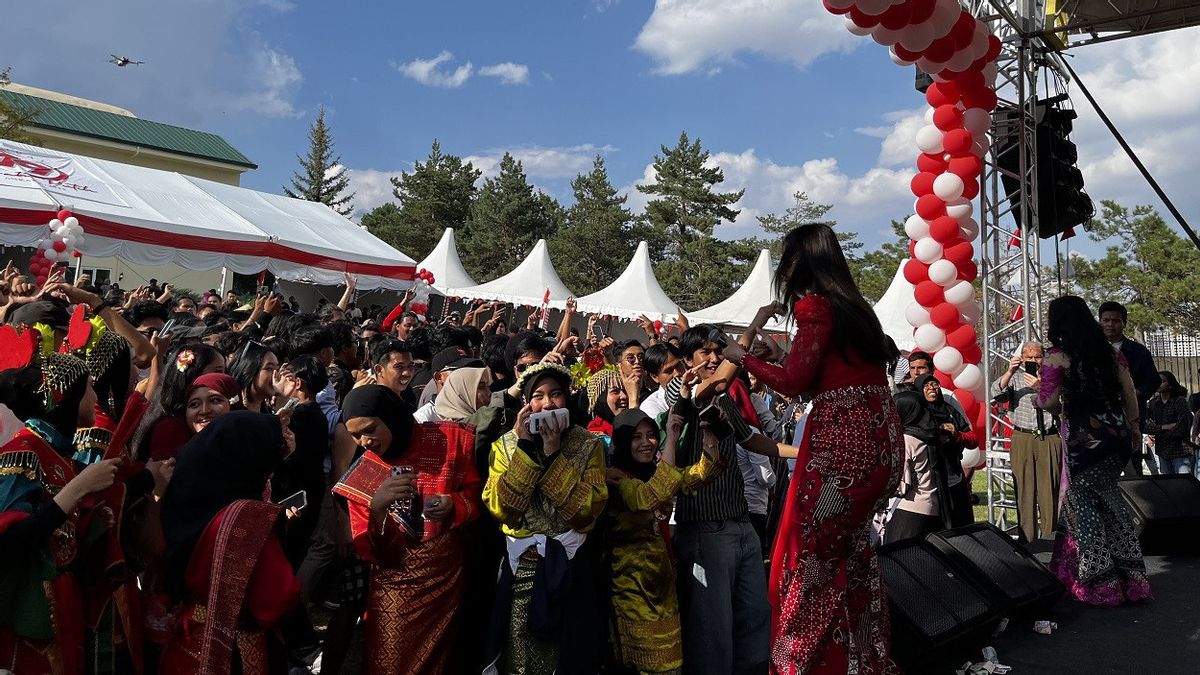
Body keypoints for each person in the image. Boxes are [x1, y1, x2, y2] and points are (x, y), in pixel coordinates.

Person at [725, 222, 902, 674]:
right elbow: (830, 372)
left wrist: (740, 356)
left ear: (798, 261)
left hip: (840, 450)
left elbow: (796, 384)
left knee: (810, 567)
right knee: (855, 560)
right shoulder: (857, 308)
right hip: (878, 446)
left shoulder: (815, 306)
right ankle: (864, 661)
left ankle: (798, 665)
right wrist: (773, 358)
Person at [335, 384, 481, 675]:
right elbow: (371, 549)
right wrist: (378, 508)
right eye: (355, 435)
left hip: (448, 578)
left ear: (391, 416)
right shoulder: (363, 473)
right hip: (394, 588)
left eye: (370, 429)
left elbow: (478, 497)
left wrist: (454, 504)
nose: (365, 441)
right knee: (388, 661)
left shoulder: (450, 441)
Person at [0, 347, 125, 674]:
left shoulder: (58, 452)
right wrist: (79, 488)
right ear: (66, 398)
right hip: (30, 609)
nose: (95, 396)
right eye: (88, 389)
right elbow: (10, 540)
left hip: (64, 599)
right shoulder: (23, 453)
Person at [482, 362, 608, 674]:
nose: (547, 404)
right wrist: (525, 447)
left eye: (555, 395)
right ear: (526, 403)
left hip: (572, 564)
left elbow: (587, 512)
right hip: (523, 567)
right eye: (537, 396)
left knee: (572, 652)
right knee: (521, 656)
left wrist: (554, 455)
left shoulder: (588, 444)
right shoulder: (505, 446)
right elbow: (502, 510)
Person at [159, 411, 301, 674]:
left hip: (188, 642)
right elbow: (274, 600)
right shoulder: (247, 519)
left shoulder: (184, 497)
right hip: (234, 650)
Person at [1038, 295, 1150, 606]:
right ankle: (1134, 580)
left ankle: (1102, 585)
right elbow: (1129, 391)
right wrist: (1135, 426)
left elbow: (1047, 401)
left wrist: (1044, 400)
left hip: (1084, 444)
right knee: (1112, 502)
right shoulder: (1110, 353)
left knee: (1085, 511)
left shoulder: (1058, 356)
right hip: (1117, 438)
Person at [604, 404, 723, 674]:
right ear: (623, 441)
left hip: (662, 587)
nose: (647, 443)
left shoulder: (655, 472)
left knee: (670, 664)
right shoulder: (617, 480)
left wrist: (711, 438)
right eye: (637, 437)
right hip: (631, 590)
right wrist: (671, 437)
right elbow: (651, 496)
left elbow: (699, 475)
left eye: (651, 435)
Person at [991, 342, 1061, 542]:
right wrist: (1010, 371)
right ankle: (1027, 541)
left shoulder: (1054, 378)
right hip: (1023, 437)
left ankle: (1050, 540)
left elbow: (1061, 407)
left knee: (1049, 493)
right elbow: (996, 394)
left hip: (1049, 437)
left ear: (1043, 358)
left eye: (1036, 357)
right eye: (1028, 358)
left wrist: (1040, 388)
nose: (1033, 361)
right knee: (1024, 491)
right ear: (1022, 358)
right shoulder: (1016, 378)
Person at [1098, 301, 1160, 475]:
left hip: (1129, 420)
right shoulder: (1090, 351)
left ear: (1124, 323)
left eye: (1116, 321)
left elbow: (1152, 382)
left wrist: (1132, 395)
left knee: (1132, 468)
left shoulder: (1139, 352)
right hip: (1097, 421)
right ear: (1100, 321)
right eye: (1106, 320)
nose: (1110, 325)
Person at [914, 373, 976, 527]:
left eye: (935, 384)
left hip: (952, 475)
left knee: (959, 522)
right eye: (926, 386)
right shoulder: (916, 413)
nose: (931, 388)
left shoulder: (949, 410)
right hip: (926, 480)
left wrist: (957, 434)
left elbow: (973, 439)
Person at [886, 390, 946, 544]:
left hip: (909, 510)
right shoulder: (930, 435)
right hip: (932, 506)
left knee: (899, 561)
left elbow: (901, 486)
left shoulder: (907, 441)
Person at [1145, 371, 1194, 475]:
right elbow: (1146, 427)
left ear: (1170, 385)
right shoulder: (1154, 404)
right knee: (1168, 486)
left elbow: (1181, 428)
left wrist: (1157, 431)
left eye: (1163, 381)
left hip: (1180, 451)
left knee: (1183, 486)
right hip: (1163, 452)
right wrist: (1164, 427)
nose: (1159, 384)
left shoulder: (1180, 402)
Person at [227, 341, 280, 414]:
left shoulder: (268, 413)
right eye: (269, 368)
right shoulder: (229, 413)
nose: (276, 375)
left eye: (277, 369)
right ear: (248, 370)